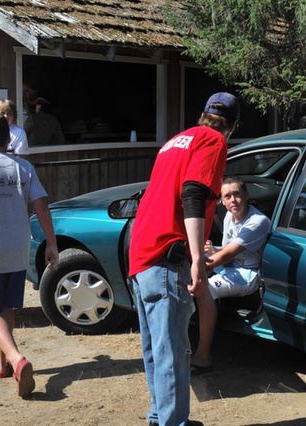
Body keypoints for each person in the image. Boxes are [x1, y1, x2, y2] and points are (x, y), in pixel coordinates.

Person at [128, 92, 239, 426]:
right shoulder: (214, 141)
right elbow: (192, 193)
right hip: (167, 255)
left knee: (156, 348)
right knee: (174, 352)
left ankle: (159, 416)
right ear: (233, 126)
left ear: (202, 114)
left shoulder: (174, 142)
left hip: (142, 252)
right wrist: (197, 258)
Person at [0, 113, 58, 398]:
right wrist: (51, 243)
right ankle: (0, 363)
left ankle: (16, 359)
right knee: (6, 306)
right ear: (9, 139)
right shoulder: (24, 167)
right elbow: (42, 206)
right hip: (18, 248)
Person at [191, 177, 270, 370]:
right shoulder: (229, 216)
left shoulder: (257, 221)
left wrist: (199, 268)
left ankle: (203, 356)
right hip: (231, 266)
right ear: (223, 201)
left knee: (205, 289)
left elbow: (228, 254)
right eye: (227, 196)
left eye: (237, 194)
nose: (233, 200)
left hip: (248, 274)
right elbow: (225, 251)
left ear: (246, 196)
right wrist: (211, 252)